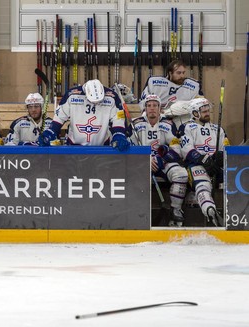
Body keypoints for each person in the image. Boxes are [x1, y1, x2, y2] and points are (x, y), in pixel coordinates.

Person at [131, 94, 188, 226]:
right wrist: (143, 159)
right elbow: (129, 147)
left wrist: (160, 160)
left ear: (159, 108)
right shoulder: (136, 123)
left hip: (162, 163)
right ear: (145, 108)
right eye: (149, 105)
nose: (152, 108)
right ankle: (136, 212)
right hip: (141, 163)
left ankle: (176, 209)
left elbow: (176, 149)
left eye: (155, 105)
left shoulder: (168, 124)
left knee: (181, 174)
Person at [39, 79, 130, 151]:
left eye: (98, 102)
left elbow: (118, 119)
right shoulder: (71, 95)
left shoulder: (112, 97)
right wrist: (51, 131)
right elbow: (59, 117)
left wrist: (119, 134)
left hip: (101, 149)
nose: (95, 104)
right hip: (74, 148)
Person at [179, 97, 229, 227]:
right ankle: (210, 209)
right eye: (204, 110)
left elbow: (226, 149)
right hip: (195, 165)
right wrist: (205, 160)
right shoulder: (187, 127)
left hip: (215, 167)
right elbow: (187, 150)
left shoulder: (218, 129)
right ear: (195, 113)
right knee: (203, 184)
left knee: (235, 179)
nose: (207, 113)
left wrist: (220, 157)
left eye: (208, 110)